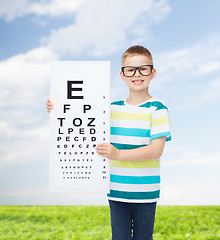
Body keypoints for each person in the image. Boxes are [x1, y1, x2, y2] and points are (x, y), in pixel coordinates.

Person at [47, 45, 171, 240]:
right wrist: (57, 106)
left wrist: (119, 154)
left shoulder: (157, 109)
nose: (136, 74)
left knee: (143, 237)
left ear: (152, 72)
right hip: (116, 190)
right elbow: (77, 112)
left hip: (145, 191)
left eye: (143, 69)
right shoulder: (110, 108)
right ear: (122, 75)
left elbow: (156, 150)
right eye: (130, 70)